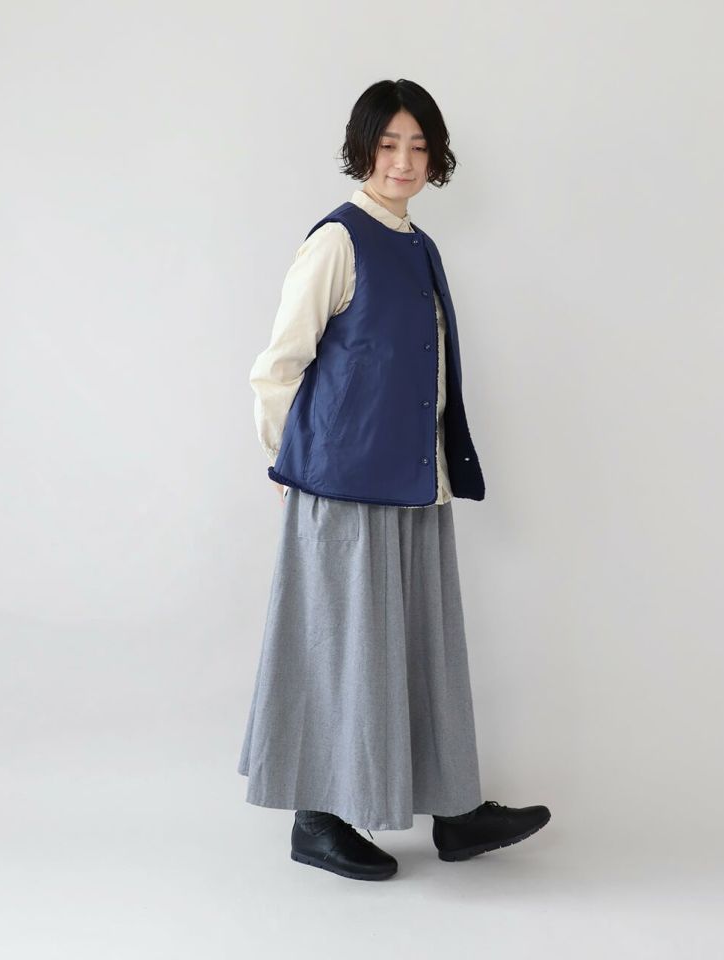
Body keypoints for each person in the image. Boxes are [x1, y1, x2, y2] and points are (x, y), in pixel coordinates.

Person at [236, 78, 551, 882]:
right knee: (343, 645)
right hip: (343, 485)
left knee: (424, 644)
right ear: (363, 150)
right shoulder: (337, 242)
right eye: (388, 145)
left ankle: (454, 809)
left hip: (414, 481)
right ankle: (318, 818)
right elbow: (279, 364)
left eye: (418, 146)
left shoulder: (417, 244)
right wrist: (288, 460)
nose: (404, 161)